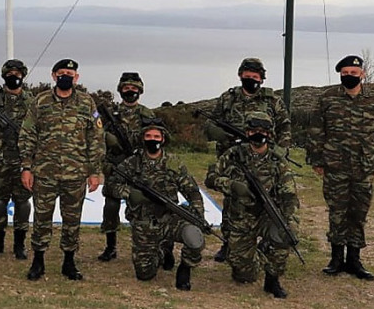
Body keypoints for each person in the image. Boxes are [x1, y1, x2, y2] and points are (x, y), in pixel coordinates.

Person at [307, 54, 374, 280]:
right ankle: (336, 259)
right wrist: (316, 159)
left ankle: (354, 260)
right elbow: (317, 131)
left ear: (362, 74)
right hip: (335, 166)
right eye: (345, 74)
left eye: (353, 74)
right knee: (337, 212)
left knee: (358, 213)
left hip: (364, 167)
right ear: (340, 75)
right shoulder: (327, 99)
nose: (349, 77)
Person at [19, 58, 105, 281]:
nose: (65, 76)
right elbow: (28, 135)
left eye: (70, 72)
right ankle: (38, 261)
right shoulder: (40, 101)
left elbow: (95, 138)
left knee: (72, 219)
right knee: (41, 218)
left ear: (76, 77)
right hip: (45, 172)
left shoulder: (87, 103)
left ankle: (69, 261)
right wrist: (27, 167)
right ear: (53, 75)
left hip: (75, 174)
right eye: (61, 72)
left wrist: (94, 172)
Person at [206, 112, 299, 299]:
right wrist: (232, 185)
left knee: (284, 234)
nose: (258, 134)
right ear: (247, 133)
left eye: (263, 131)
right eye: (253, 130)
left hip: (266, 215)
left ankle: (272, 279)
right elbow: (210, 178)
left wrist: (288, 221)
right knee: (244, 275)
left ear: (270, 134)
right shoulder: (233, 154)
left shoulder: (277, 161)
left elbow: (289, 195)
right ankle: (255, 255)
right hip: (240, 218)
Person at [206, 57, 290, 262]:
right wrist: (226, 137)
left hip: (264, 158)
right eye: (247, 75)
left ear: (262, 78)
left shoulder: (272, 100)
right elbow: (212, 124)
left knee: (267, 197)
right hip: (233, 158)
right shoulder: (228, 98)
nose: (250, 79)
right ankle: (229, 242)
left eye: (255, 76)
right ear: (240, 75)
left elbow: (284, 127)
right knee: (233, 199)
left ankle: (266, 239)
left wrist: (280, 150)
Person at [111, 119, 206, 290]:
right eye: (148, 136)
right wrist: (130, 194)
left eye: (156, 136)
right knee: (144, 274)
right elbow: (111, 186)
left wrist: (198, 214)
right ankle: (162, 251)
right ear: (142, 138)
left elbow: (192, 191)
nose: (152, 139)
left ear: (163, 139)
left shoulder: (173, 163)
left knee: (194, 236)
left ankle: (185, 268)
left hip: (170, 218)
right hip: (144, 223)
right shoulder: (132, 163)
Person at [98, 72, 151, 263]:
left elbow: (157, 138)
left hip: (138, 166)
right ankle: (110, 247)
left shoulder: (146, 114)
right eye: (127, 88)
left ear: (140, 90)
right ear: (120, 90)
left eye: (134, 88)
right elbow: (94, 131)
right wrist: (106, 137)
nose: (130, 91)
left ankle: (145, 245)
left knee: (140, 206)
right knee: (111, 206)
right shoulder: (110, 113)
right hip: (115, 167)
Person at [0, 59, 34, 260]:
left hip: (24, 161)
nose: (13, 77)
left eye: (17, 73)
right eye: (10, 73)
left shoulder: (33, 102)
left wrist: (30, 163)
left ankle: (19, 244)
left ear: (23, 75)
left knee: (23, 202)